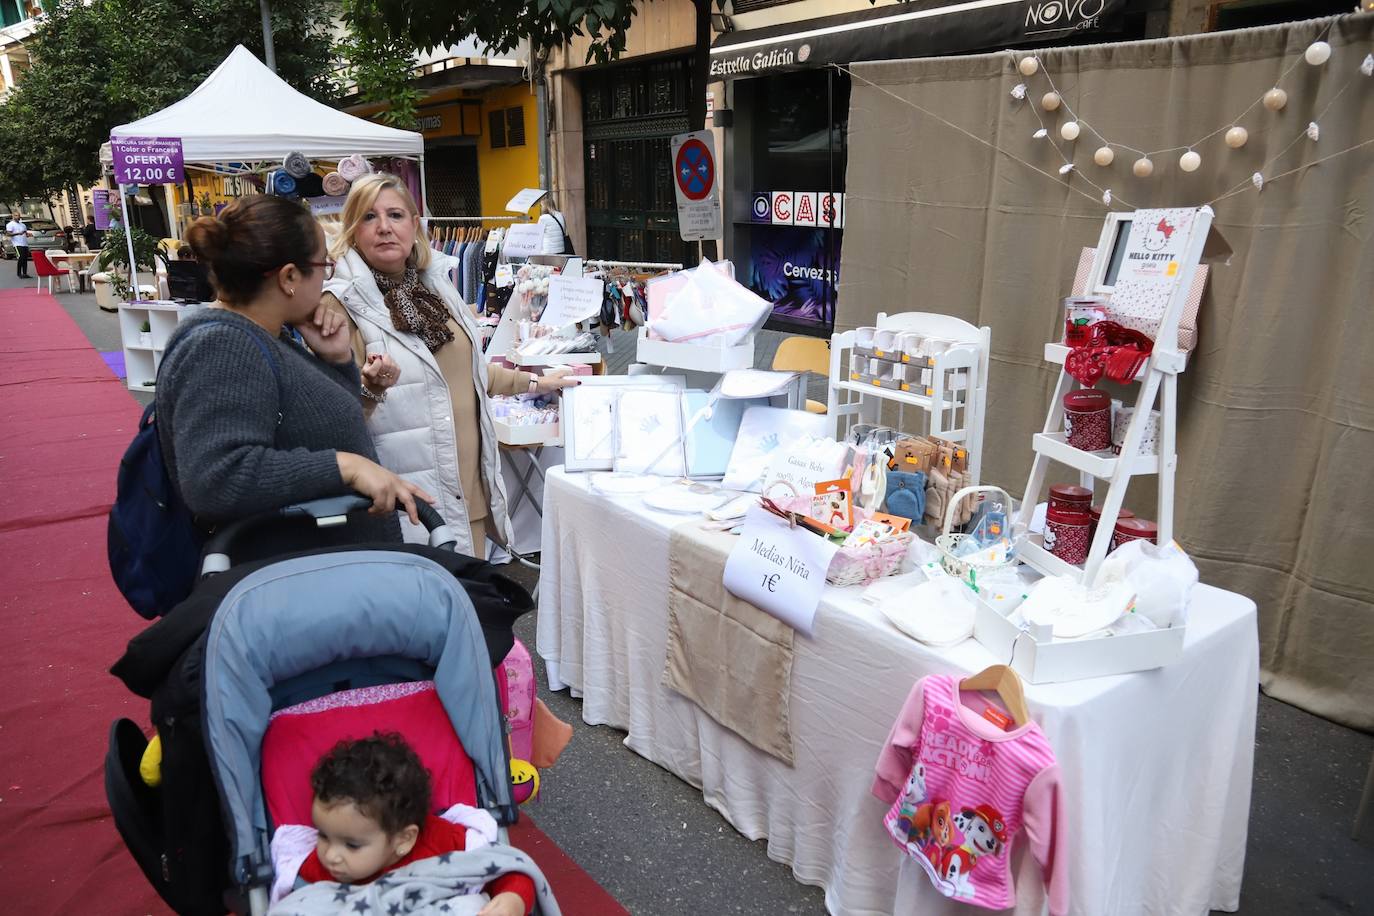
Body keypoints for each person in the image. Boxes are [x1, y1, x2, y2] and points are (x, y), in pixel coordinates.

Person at [158, 195, 431, 556]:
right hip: (289, 582)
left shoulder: (267, 335)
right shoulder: (223, 345)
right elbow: (216, 479)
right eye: (323, 266)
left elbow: (327, 425)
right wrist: (344, 467)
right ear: (289, 276)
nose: (325, 278)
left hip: (315, 573)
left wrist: (335, 360)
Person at [323, 173, 577, 555]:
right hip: (406, 505)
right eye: (369, 217)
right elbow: (333, 419)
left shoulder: (437, 288)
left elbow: (467, 372)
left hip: (466, 494)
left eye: (395, 215)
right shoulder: (340, 306)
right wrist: (369, 388)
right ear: (352, 230)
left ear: (414, 224)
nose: (385, 228)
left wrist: (536, 383)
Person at [300, 733, 533, 915]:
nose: (331, 855)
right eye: (323, 835)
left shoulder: (447, 842)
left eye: (351, 845)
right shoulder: (320, 868)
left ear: (404, 839)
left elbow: (508, 871)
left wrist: (513, 899)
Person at [6, 213, 31, 278]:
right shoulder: (10, 224)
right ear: (13, 216)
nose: (18, 217)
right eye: (16, 215)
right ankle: (19, 273)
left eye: (19, 215)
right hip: (17, 244)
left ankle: (25, 273)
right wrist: (18, 233)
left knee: (25, 259)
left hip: (24, 244)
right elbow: (8, 234)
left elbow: (26, 233)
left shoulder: (23, 225)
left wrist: (28, 235)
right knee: (21, 258)